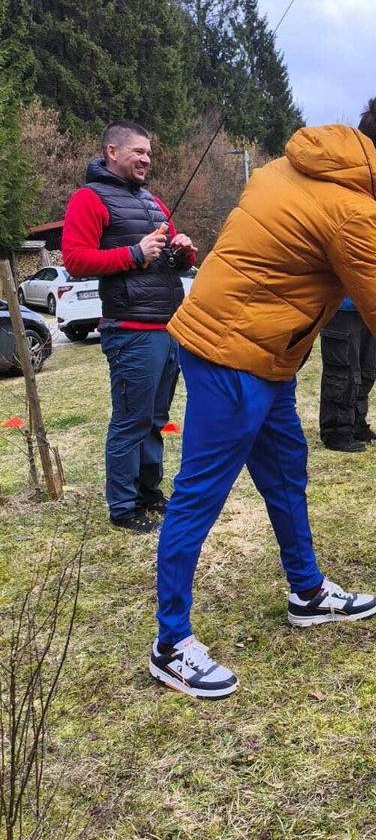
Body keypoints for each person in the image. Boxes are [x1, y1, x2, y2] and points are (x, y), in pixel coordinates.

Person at [152, 95, 376, 699]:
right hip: (232, 356)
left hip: (268, 357)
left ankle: (307, 592)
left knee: (287, 472)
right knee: (198, 497)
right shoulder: (351, 210)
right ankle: (171, 644)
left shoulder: (289, 166)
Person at [62, 120, 196, 533]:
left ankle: (149, 494)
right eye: (138, 151)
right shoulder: (88, 198)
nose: (146, 159)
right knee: (131, 421)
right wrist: (134, 253)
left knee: (156, 419)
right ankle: (123, 508)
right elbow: (75, 259)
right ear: (112, 152)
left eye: (149, 153)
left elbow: (172, 263)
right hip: (131, 331)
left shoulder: (154, 203)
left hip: (167, 327)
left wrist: (183, 252)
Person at [318, 298, 376, 453]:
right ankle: (337, 432)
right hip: (339, 308)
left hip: (367, 305)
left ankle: (356, 423)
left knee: (366, 371)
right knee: (342, 374)